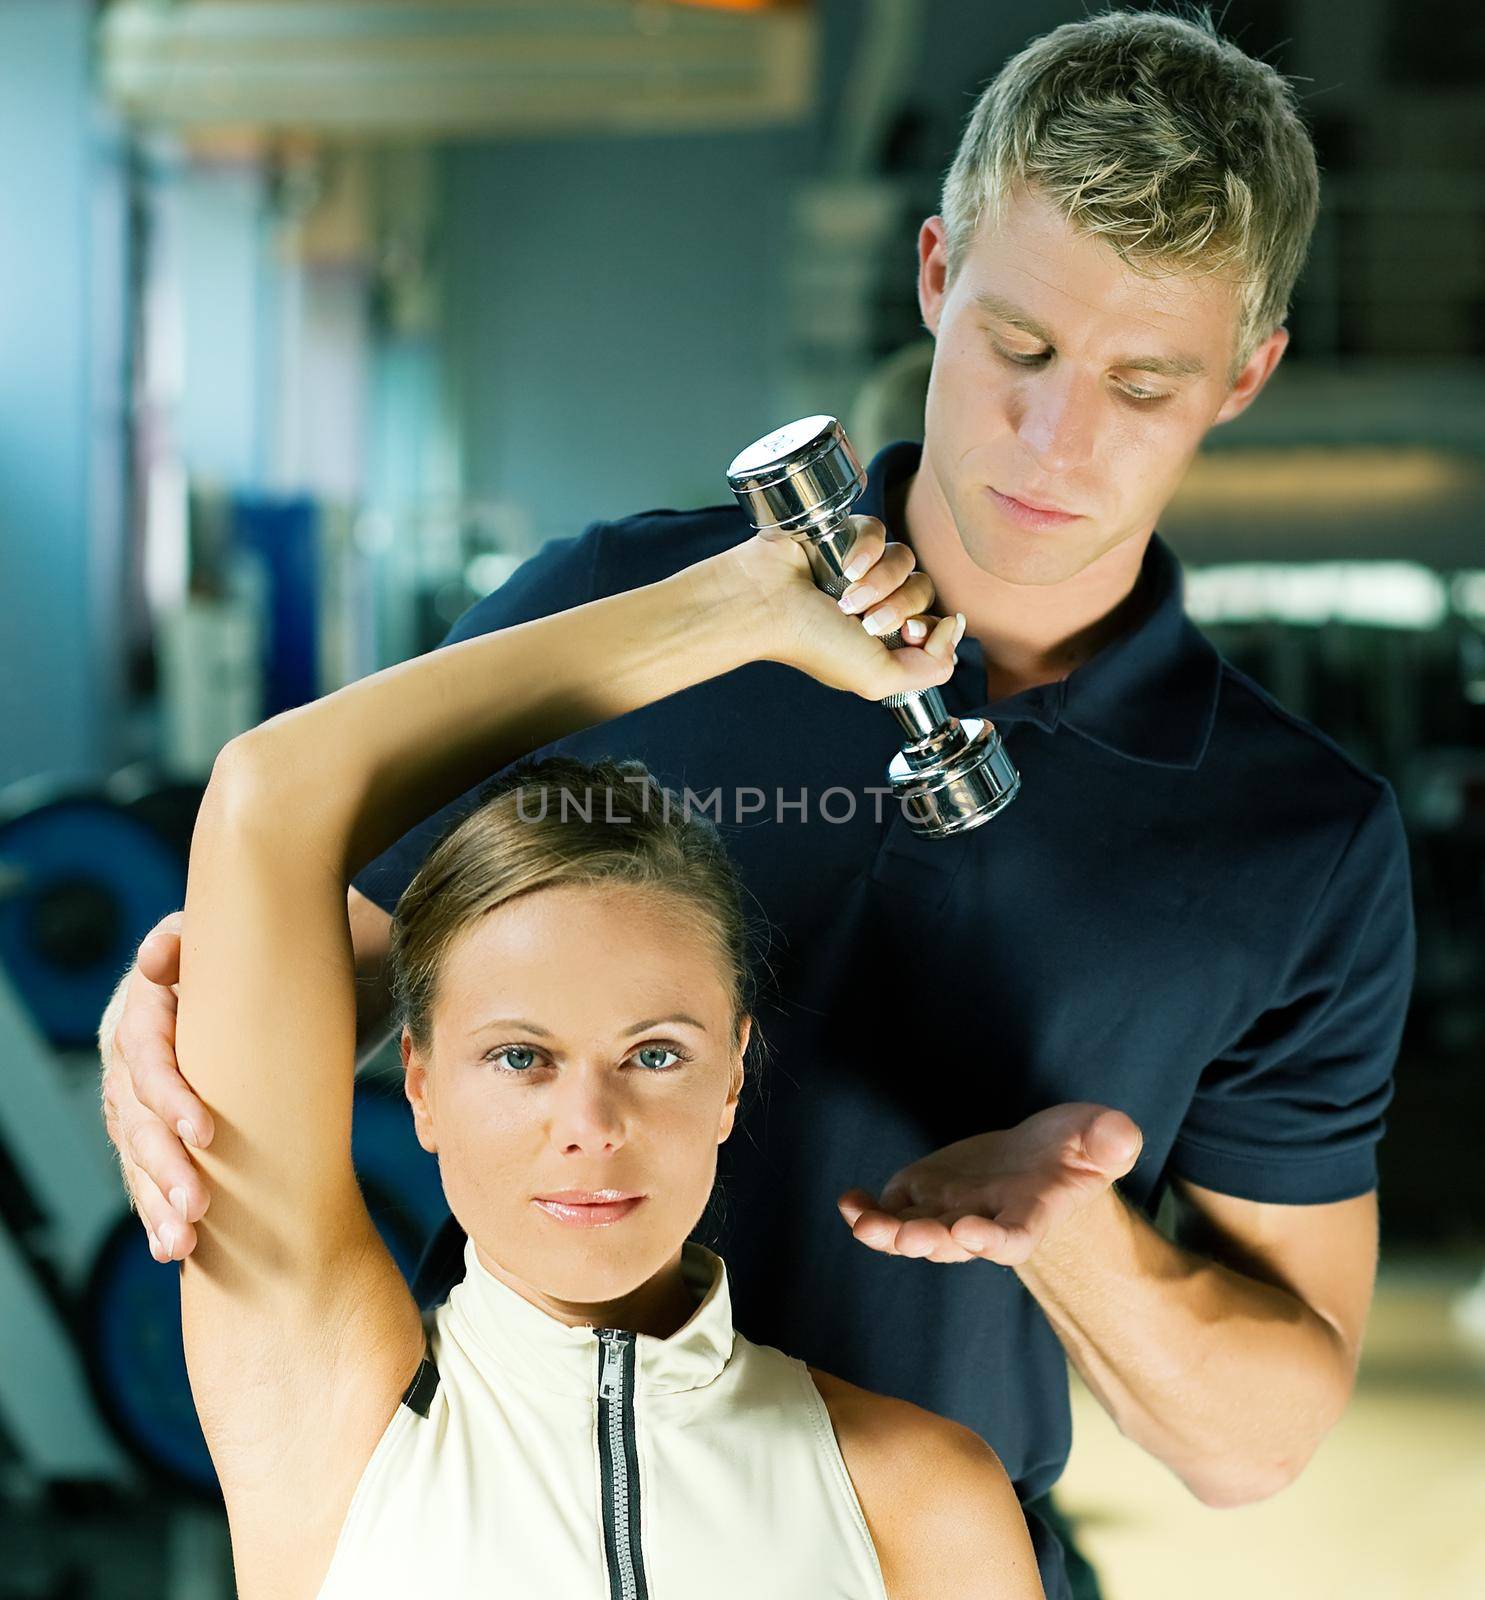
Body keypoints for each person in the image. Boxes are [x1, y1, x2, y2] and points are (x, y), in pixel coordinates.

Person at [99, 11, 1416, 1598]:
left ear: (1247, 377)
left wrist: (1078, 1239)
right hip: (505, 1520)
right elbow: (298, 968)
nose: (1055, 440)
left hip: (929, 1547)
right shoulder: (611, 611)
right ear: (933, 274)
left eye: (1143, 383)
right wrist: (166, 1027)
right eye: (1019, 348)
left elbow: (1250, 1442)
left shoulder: (1298, 839)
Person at [135, 527, 1043, 1597]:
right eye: (520, 1056)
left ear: (733, 1078)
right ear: (419, 1080)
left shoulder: (924, 1495)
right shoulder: (329, 1412)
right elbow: (268, 794)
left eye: (654, 1053)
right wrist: (731, 612)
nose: (590, 1122)